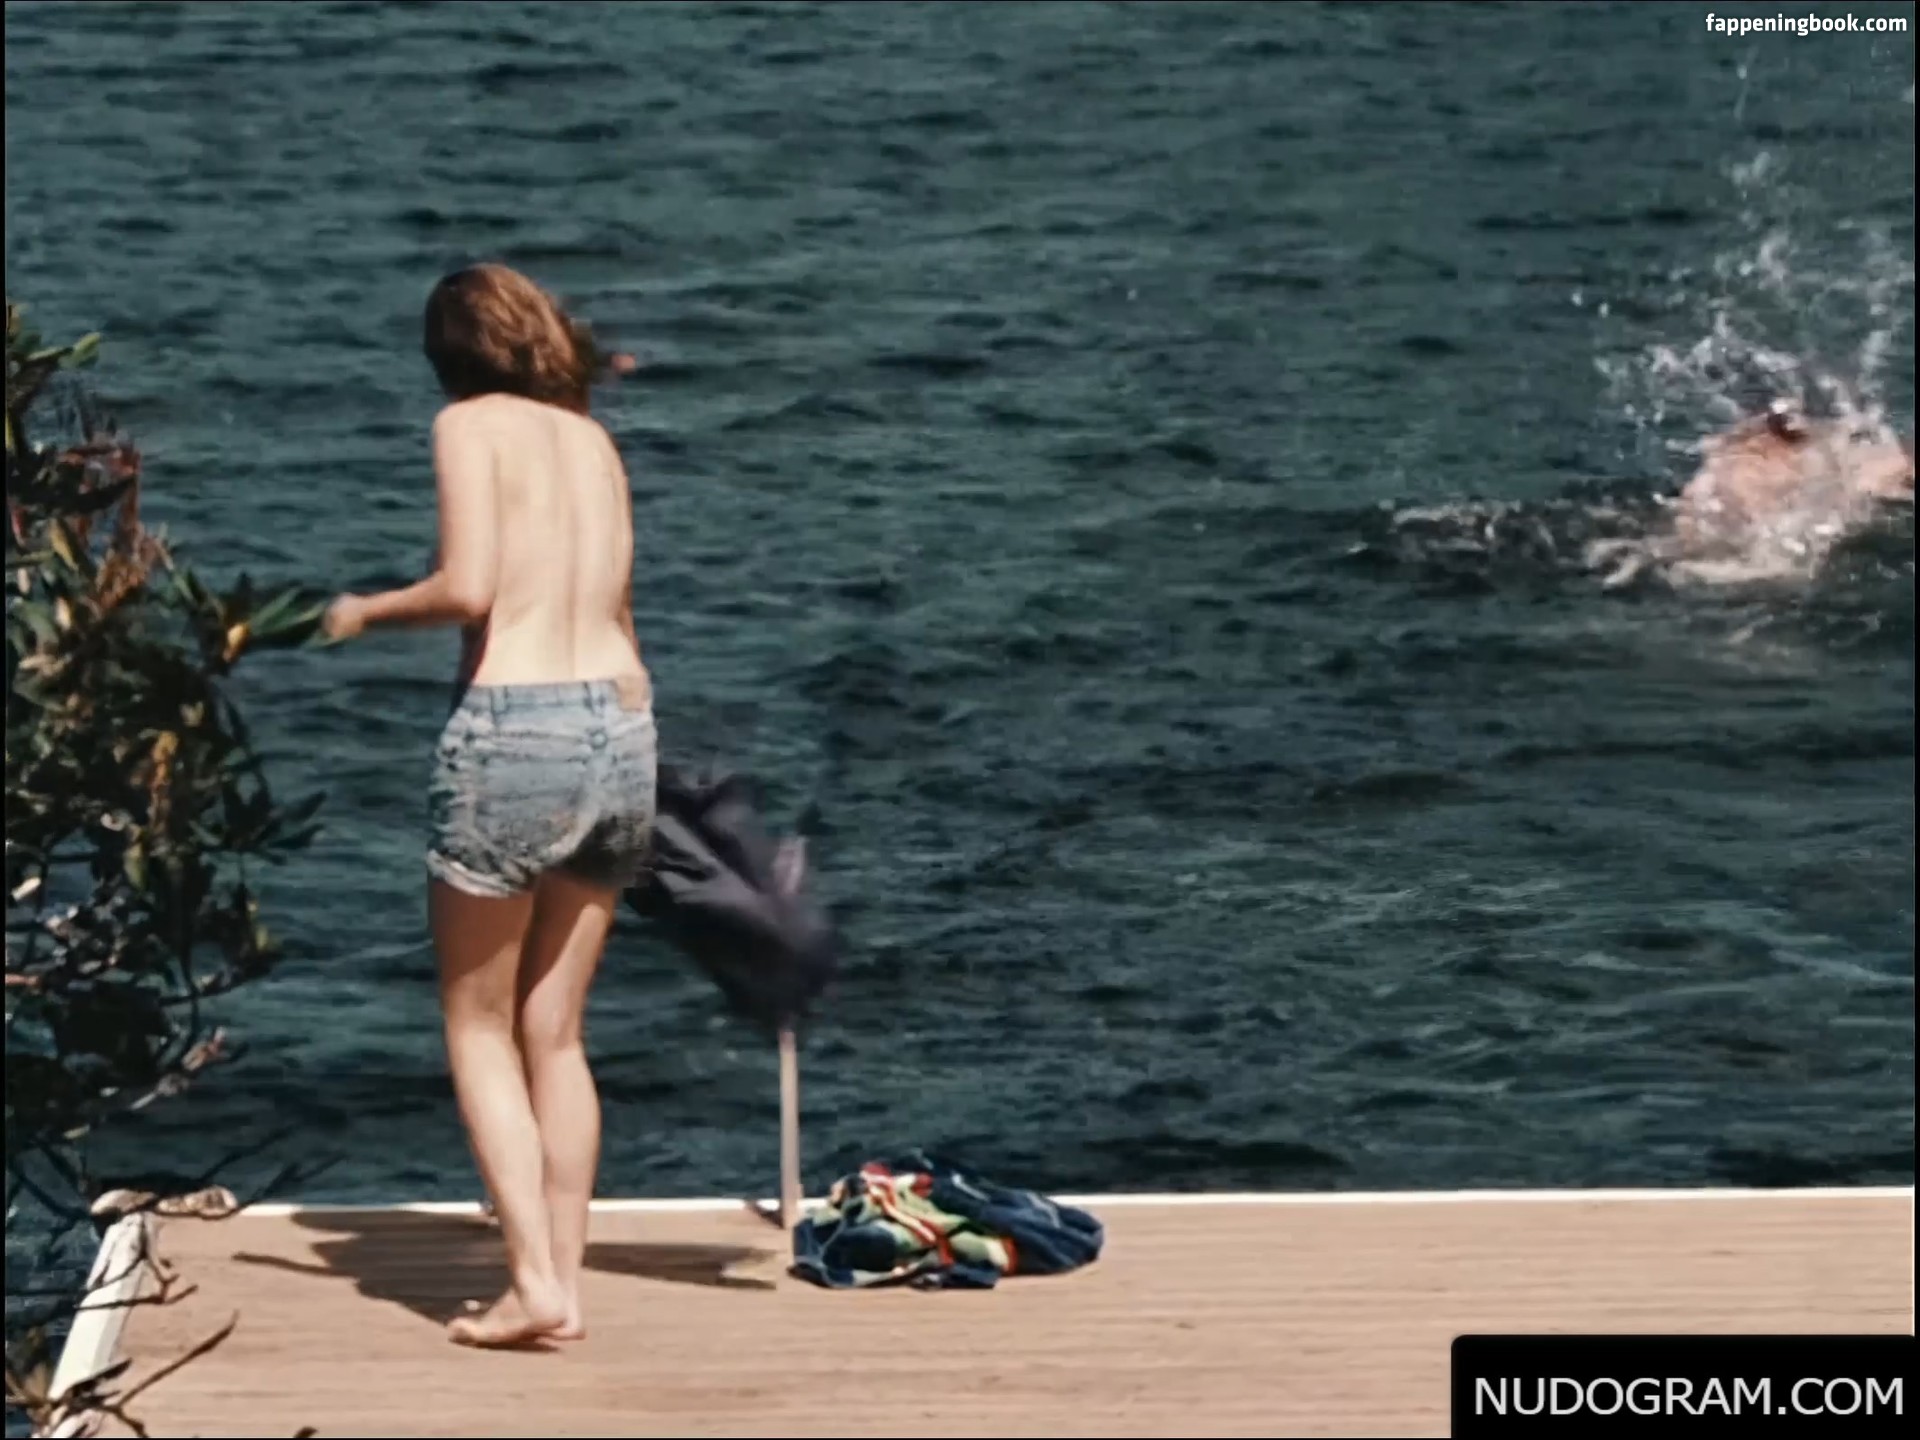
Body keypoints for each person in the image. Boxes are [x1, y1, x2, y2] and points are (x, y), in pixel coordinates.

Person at [323, 264, 655, 1349]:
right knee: (556, 1033)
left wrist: (361, 613)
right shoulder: (593, 441)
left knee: (477, 1024)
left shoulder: (467, 426)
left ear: (449, 354)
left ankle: (532, 1284)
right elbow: (619, 608)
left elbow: (468, 588)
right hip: (622, 723)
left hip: (516, 726)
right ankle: (563, 1284)